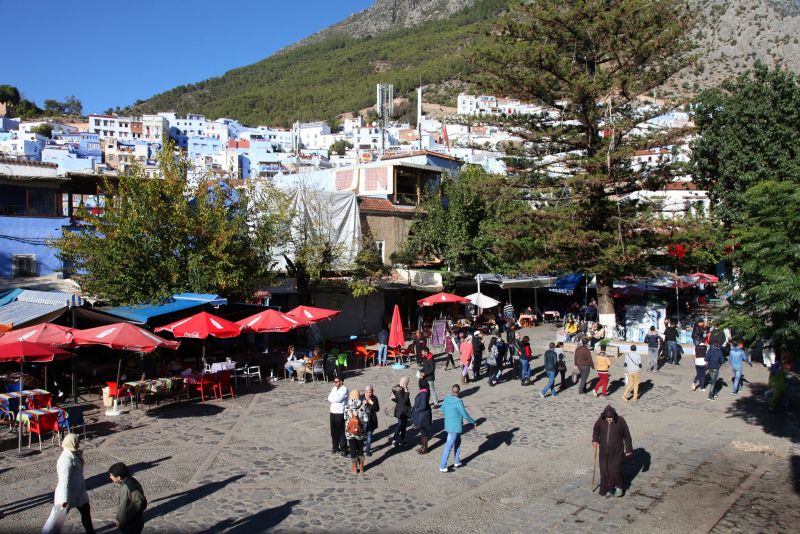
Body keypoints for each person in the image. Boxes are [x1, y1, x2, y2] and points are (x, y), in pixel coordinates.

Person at [42, 433, 95, 534]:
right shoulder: (66, 460)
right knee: (56, 520)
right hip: (68, 495)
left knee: (86, 514)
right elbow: (64, 481)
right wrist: (64, 499)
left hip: (79, 493)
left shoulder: (74, 454)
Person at [591, 406, 633, 497]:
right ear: (605, 417)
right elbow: (595, 430)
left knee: (614, 470)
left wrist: (629, 449)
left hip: (617, 451)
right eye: (608, 418)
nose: (609, 420)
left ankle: (619, 487)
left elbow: (627, 435)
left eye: (611, 418)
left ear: (614, 416)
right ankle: (609, 488)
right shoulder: (601, 420)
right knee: (604, 470)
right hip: (603, 451)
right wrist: (595, 440)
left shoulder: (621, 421)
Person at [439, 384, 476, 472]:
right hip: (455, 427)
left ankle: (457, 461)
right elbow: (465, 414)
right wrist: (473, 421)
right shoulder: (458, 402)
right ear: (459, 392)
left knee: (458, 442)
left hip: (448, 425)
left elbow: (442, 409)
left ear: (452, 390)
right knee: (448, 446)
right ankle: (442, 466)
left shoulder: (447, 398)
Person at [108, 463, 146, 534]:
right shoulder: (126, 482)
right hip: (129, 523)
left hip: (131, 525)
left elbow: (141, 503)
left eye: (111, 475)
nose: (110, 477)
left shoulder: (128, 486)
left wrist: (125, 519)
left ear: (119, 477)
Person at [344, 389, 370, 474]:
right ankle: (362, 467)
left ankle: (354, 468)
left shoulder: (347, 407)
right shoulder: (363, 406)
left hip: (350, 432)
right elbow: (366, 419)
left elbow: (345, 418)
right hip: (360, 432)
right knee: (360, 449)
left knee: (352, 449)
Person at [327, 376, 349, 455]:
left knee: (341, 431)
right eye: (334, 381)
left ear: (341, 381)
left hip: (340, 412)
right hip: (332, 412)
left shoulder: (344, 389)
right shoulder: (334, 388)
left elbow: (338, 399)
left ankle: (344, 448)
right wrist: (334, 398)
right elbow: (329, 398)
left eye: (337, 381)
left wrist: (334, 398)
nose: (335, 383)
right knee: (333, 431)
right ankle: (335, 447)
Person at [411, 378, 433, 454]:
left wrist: (416, 409)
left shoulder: (423, 393)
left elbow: (423, 406)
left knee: (424, 433)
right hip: (424, 416)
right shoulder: (425, 391)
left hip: (423, 416)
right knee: (423, 433)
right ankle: (423, 447)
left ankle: (425, 448)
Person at [391, 376, 411, 447]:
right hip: (401, 411)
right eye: (407, 382)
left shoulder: (400, 388)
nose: (408, 383)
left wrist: (398, 401)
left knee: (404, 426)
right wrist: (406, 392)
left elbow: (392, 398)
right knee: (400, 425)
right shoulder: (399, 390)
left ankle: (402, 439)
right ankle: (394, 439)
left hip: (405, 411)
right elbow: (404, 401)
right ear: (405, 382)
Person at [363, 384, 380, 456]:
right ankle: (360, 449)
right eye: (367, 392)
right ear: (365, 391)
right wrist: (362, 403)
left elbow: (377, 409)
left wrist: (372, 403)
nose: (369, 394)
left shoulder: (374, 398)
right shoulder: (361, 397)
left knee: (369, 436)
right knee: (362, 436)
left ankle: (367, 451)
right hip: (362, 421)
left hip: (371, 421)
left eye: (370, 392)